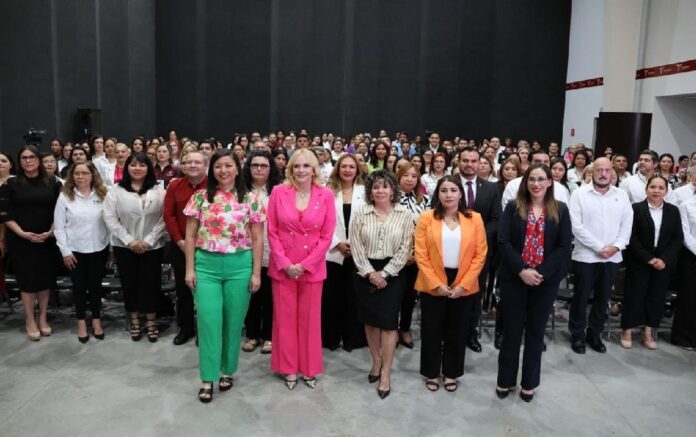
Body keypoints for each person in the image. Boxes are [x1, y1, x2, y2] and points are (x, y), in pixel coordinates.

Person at [183, 149, 265, 403]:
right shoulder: (199, 197)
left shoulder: (251, 199)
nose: (223, 170)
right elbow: (190, 236)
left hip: (239, 267)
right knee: (208, 322)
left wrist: (256, 273)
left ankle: (227, 370)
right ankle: (208, 378)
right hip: (206, 267)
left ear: (237, 168)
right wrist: (189, 269)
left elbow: (258, 238)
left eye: (228, 165)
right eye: (218, 166)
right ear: (212, 170)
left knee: (233, 323)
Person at [496, 164, 572, 402]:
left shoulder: (560, 209)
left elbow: (563, 246)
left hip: (544, 281)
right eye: (531, 179)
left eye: (541, 179)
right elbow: (503, 242)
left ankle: (529, 383)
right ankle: (505, 380)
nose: (536, 184)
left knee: (536, 333)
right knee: (511, 331)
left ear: (550, 182)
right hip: (515, 278)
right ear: (525, 183)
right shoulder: (513, 207)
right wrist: (522, 270)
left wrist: (540, 273)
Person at [267, 149, 336, 390]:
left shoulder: (326, 195)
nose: (301, 170)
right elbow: (272, 231)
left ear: (314, 169)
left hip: (312, 268)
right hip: (283, 267)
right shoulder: (278, 192)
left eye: (306, 166)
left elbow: (327, 235)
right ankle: (288, 368)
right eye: (296, 166)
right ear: (290, 169)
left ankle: (309, 368)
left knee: (309, 321)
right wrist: (285, 264)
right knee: (284, 320)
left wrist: (306, 265)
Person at [414, 176, 487, 392]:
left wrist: (463, 285)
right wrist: (436, 283)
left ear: (460, 194)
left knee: (457, 330)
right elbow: (421, 254)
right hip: (433, 280)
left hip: (463, 281)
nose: (448, 195)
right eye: (444, 190)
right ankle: (431, 372)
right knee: (431, 329)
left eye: (453, 190)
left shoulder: (474, 218)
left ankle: (451, 372)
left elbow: (480, 255)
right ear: (437, 194)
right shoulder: (426, 217)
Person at [350, 170, 414, 399]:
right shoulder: (361, 212)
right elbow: (356, 245)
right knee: (370, 321)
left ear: (393, 190)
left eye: (385, 186)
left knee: (388, 324)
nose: (380, 191)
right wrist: (370, 273)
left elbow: (405, 247)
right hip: (365, 271)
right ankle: (375, 360)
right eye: (375, 187)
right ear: (370, 191)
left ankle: (385, 373)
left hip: (393, 274)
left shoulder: (405, 214)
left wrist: (385, 273)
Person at [569, 158, 633, 354]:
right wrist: (599, 247)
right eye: (599, 170)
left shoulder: (621, 195)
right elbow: (576, 226)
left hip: (612, 258)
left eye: (607, 170)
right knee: (581, 297)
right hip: (586, 256)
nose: (603, 174)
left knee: (603, 298)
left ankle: (594, 334)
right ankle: (577, 334)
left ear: (612, 172)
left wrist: (616, 246)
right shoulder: (579, 194)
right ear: (592, 171)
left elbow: (627, 225)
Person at [103, 152, 167, 342]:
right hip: (124, 246)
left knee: (151, 284)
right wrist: (129, 240)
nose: (137, 168)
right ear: (126, 168)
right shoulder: (115, 190)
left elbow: (165, 217)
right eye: (133, 164)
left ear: (148, 168)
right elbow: (110, 218)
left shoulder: (159, 190)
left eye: (142, 165)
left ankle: (151, 320)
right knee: (129, 283)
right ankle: (134, 320)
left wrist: (149, 240)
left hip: (152, 247)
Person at [0, 146, 62, 340]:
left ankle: (43, 317)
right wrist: (22, 234)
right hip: (21, 240)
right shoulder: (11, 184)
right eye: (24, 158)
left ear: (39, 159)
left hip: (47, 239)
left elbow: (61, 209)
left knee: (44, 280)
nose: (28, 161)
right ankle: (30, 319)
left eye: (32, 157)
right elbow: (4, 213)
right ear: (19, 161)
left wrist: (51, 231)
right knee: (27, 282)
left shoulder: (52, 182)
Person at [621, 175, 682, 349]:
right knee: (634, 296)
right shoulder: (635, 209)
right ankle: (627, 330)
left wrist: (664, 259)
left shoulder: (673, 211)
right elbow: (631, 237)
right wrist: (649, 258)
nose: (656, 191)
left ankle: (648, 332)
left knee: (656, 297)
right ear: (646, 189)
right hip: (639, 260)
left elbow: (677, 239)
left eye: (661, 188)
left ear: (666, 191)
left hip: (663, 263)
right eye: (653, 187)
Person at [53, 162, 109, 343]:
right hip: (74, 252)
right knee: (78, 287)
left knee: (96, 286)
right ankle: (81, 322)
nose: (80, 176)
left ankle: (96, 320)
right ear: (72, 176)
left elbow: (110, 222)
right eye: (77, 173)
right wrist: (65, 252)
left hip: (99, 248)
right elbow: (59, 227)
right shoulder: (65, 196)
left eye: (85, 173)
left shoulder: (103, 194)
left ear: (93, 175)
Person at [458, 147, 502, 353]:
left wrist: (477, 235)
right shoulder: (448, 183)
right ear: (458, 162)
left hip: (480, 251)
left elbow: (496, 219)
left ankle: (470, 333)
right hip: (452, 250)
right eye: (465, 160)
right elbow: (436, 214)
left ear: (479, 163)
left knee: (475, 294)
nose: (469, 164)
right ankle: (450, 333)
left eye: (473, 161)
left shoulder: (491, 188)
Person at [322, 154, 367, 351]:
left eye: (351, 166)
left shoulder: (365, 192)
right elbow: (321, 221)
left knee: (354, 297)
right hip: (333, 251)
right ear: (337, 169)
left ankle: (352, 339)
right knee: (332, 297)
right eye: (344, 166)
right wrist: (337, 243)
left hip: (358, 252)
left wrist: (354, 243)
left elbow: (368, 220)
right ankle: (331, 338)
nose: (347, 170)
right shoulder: (327, 191)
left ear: (357, 170)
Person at [163, 151, 208, 346]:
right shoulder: (175, 186)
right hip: (180, 246)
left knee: (206, 292)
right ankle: (185, 327)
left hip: (207, 248)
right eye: (189, 162)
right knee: (183, 289)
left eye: (197, 162)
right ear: (183, 166)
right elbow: (169, 215)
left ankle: (204, 330)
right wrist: (180, 241)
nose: (193, 165)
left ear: (205, 165)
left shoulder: (214, 186)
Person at [241, 151, 281, 354]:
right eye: (254, 165)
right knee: (250, 295)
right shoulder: (240, 190)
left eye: (263, 165)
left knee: (271, 296)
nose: (258, 169)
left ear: (270, 169)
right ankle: (252, 334)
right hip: (245, 249)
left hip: (272, 250)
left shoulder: (278, 191)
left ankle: (269, 336)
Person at [396, 162, 430, 349]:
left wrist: (415, 253)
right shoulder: (388, 198)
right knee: (392, 295)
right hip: (392, 255)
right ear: (398, 177)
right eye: (405, 175)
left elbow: (428, 230)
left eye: (414, 176)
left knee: (409, 295)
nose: (409, 179)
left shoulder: (425, 200)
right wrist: (402, 254)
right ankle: (391, 329)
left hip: (416, 257)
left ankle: (405, 328)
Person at [672, 194, 696, 350]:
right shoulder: (686, 205)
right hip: (690, 257)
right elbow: (685, 235)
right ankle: (682, 336)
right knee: (689, 297)